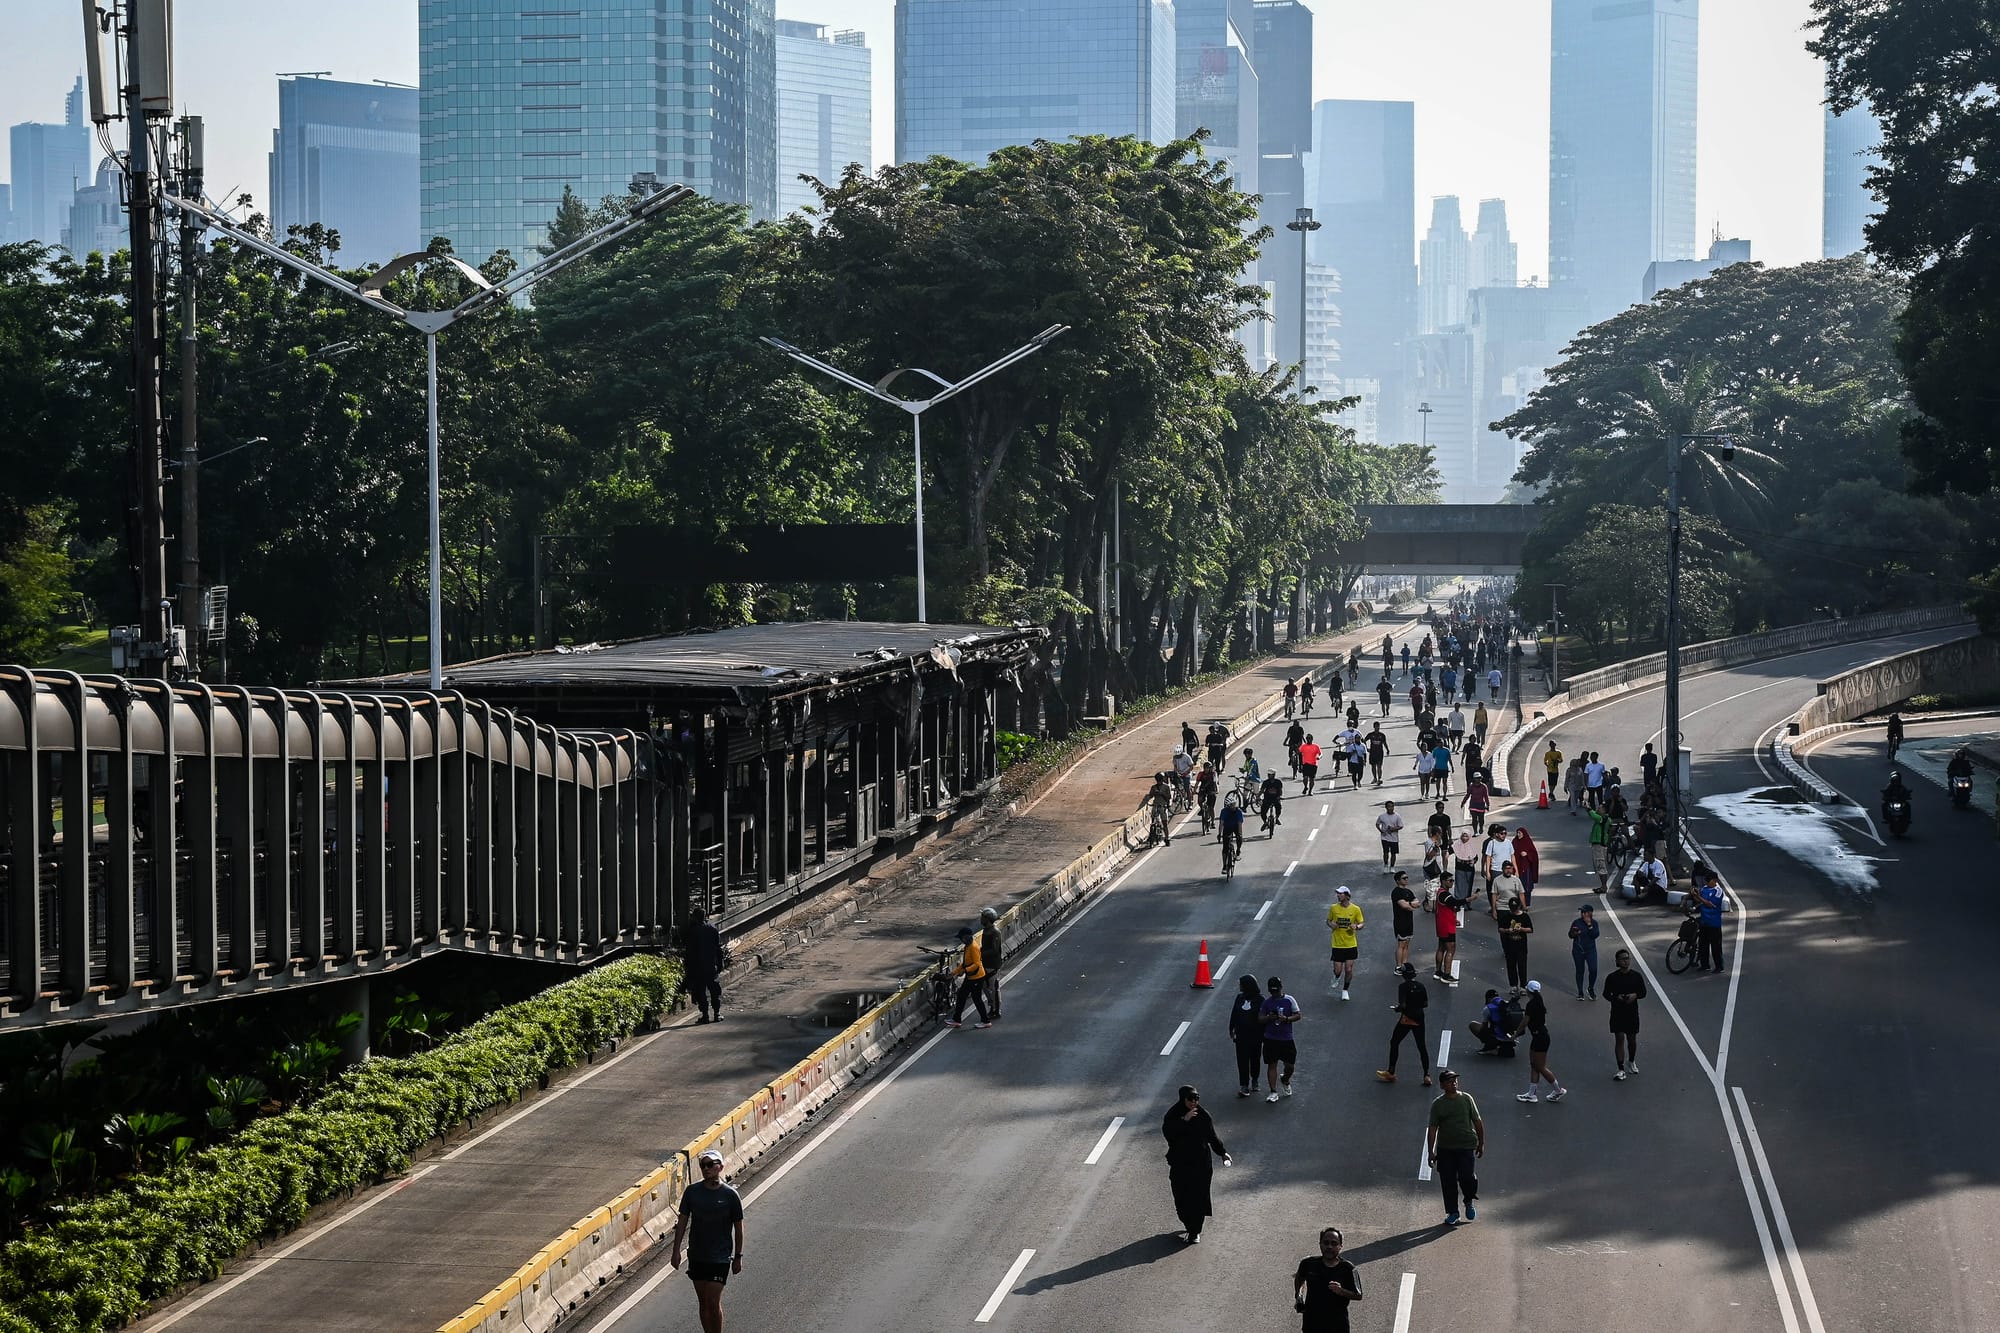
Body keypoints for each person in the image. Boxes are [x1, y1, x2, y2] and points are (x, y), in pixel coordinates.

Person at [670, 1148, 744, 1333]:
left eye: (710, 1165)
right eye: (703, 1165)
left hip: (720, 1258)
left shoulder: (730, 1196)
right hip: (697, 1256)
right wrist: (676, 1251)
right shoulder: (692, 1192)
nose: (706, 1169)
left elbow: (739, 1228)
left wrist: (738, 1257)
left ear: (721, 1167)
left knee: (713, 1300)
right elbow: (682, 1222)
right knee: (703, 1302)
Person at [1162, 1085, 1230, 1243]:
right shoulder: (1173, 1115)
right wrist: (1184, 1121)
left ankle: (1195, 1231)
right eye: (1190, 1099)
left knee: (1199, 1197)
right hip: (1180, 1164)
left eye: (1197, 1099)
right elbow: (1169, 1134)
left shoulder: (1203, 1116)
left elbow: (1212, 1137)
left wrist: (1222, 1153)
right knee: (1181, 1196)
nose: (1194, 1102)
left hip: (1201, 1164)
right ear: (1183, 1099)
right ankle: (1188, 1223)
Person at [1426, 1069, 1485, 1226]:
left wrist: (1481, 1143)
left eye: (1455, 1080)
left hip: (1466, 1146)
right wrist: (1431, 1151)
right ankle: (1453, 1212)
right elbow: (1432, 1129)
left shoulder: (1466, 1099)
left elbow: (1477, 1121)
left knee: (1467, 1177)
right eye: (1450, 1081)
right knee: (1448, 1181)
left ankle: (1468, 1200)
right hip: (1446, 1148)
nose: (1454, 1083)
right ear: (1442, 1085)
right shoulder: (1438, 1104)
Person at [1294, 1227, 1364, 1333]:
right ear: (1320, 1244)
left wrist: (1341, 1291)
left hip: (1337, 1326)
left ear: (1340, 1246)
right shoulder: (1308, 1264)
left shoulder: (1348, 1268)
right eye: (1326, 1243)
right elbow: (1300, 1277)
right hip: (1311, 1324)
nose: (1329, 1246)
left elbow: (1358, 1295)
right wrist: (1298, 1296)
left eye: (1334, 1243)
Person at [1376, 961, 1432, 1085]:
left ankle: (1391, 1071)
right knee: (1421, 1046)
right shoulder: (1421, 986)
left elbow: (1403, 1005)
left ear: (1404, 975)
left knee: (1394, 1042)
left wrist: (1397, 1009)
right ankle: (1426, 1075)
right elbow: (1425, 1004)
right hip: (1419, 1018)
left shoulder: (1403, 987)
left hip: (1407, 1018)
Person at [1516, 981, 1566, 1103]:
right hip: (1539, 1036)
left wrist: (1515, 1034)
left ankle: (1558, 1090)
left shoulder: (1531, 1004)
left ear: (1528, 991)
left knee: (1540, 1067)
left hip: (1540, 1038)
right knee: (1534, 1065)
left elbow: (1525, 1022)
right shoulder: (1538, 1001)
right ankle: (1531, 1094)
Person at [1604, 949, 1646, 1079]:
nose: (1625, 961)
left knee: (1632, 1040)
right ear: (1617, 961)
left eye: (1627, 958)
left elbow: (1643, 992)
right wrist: (1616, 998)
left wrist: (1634, 995)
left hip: (1632, 1012)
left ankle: (1631, 1061)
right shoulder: (1612, 978)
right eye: (1623, 959)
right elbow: (1606, 994)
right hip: (1617, 1012)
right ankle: (1620, 1068)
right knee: (1620, 1037)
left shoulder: (1636, 976)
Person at [1262, 977, 1304, 1101]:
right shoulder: (1267, 1002)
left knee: (1290, 1066)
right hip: (1270, 1038)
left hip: (1286, 1039)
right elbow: (1260, 1018)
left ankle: (1285, 1079)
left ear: (1281, 988)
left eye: (1276, 991)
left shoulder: (1289, 1000)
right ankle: (1273, 1091)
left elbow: (1298, 1015)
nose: (1274, 993)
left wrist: (1286, 1019)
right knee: (1272, 1064)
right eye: (1272, 991)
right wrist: (1269, 1018)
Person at [944, 926, 993, 1028]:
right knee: (961, 996)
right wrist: (954, 972)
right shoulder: (968, 946)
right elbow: (965, 963)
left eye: (961, 938)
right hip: (971, 976)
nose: (961, 940)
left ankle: (985, 1021)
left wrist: (965, 971)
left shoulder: (973, 947)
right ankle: (957, 1019)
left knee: (976, 999)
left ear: (966, 937)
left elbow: (976, 964)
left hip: (976, 977)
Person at [683, 907, 726, 1024]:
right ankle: (717, 1013)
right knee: (714, 991)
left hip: (697, 966)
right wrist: (720, 963)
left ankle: (705, 1015)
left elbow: (689, 952)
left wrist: (688, 968)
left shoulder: (692, 932)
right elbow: (718, 948)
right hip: (711, 965)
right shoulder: (712, 929)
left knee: (700, 991)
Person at [1229, 975, 1266, 1097]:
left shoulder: (1260, 1000)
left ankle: (1255, 1079)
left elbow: (1263, 1017)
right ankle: (1244, 1084)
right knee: (1242, 1060)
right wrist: (1231, 1028)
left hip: (1256, 1035)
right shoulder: (1239, 998)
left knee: (1255, 1058)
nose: (1239, 986)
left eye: (1241, 984)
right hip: (1241, 1035)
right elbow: (1234, 1013)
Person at [1327, 887, 1364, 999]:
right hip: (1337, 944)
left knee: (1348, 969)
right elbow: (1328, 920)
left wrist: (1356, 927)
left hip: (1350, 944)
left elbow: (1361, 923)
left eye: (1340, 894)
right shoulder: (1333, 908)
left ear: (1347, 895)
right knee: (1338, 971)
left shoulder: (1355, 909)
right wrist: (1331, 925)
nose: (1338, 895)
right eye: (1337, 894)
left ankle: (1345, 990)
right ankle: (1336, 977)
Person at [1498, 889, 1532, 994]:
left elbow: (1530, 929)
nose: (1513, 910)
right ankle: (1513, 985)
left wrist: (1521, 929)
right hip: (1509, 945)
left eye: (1515, 908)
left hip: (1521, 946)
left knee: (1522, 966)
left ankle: (1523, 986)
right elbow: (1500, 929)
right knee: (1511, 966)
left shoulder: (1524, 916)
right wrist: (1507, 930)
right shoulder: (1506, 916)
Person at [1695, 867, 1727, 973]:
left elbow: (1710, 904)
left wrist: (1699, 897)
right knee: (1703, 945)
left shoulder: (1718, 891)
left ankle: (1719, 966)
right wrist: (1695, 895)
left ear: (1714, 880)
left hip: (1714, 923)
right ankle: (1705, 965)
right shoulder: (1704, 889)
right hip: (1704, 922)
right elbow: (1700, 900)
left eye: (1709, 881)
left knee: (1716, 947)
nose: (1707, 882)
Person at [1468, 988, 1517, 1056]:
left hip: (1498, 1036)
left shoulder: (1488, 1008)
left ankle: (1490, 1047)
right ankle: (1502, 1048)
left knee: (1472, 1025)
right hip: (1511, 1036)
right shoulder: (1508, 1004)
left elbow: (1483, 1028)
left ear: (1488, 999)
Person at [1569, 902, 1600, 999]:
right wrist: (1575, 933)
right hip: (1578, 951)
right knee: (1580, 971)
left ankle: (1591, 988)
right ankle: (1580, 992)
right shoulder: (1576, 922)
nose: (1582, 914)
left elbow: (1595, 935)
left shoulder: (1594, 923)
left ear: (1590, 913)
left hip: (1590, 950)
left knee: (1593, 969)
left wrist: (1589, 925)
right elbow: (1570, 935)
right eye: (1582, 912)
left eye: (1584, 912)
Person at [979, 906, 1004, 1019]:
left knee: (993, 988)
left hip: (993, 964)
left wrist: (980, 953)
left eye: (983, 917)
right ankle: (992, 1005)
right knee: (984, 986)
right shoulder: (986, 930)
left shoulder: (995, 932)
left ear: (988, 919)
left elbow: (994, 950)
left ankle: (996, 1009)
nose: (981, 919)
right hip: (985, 963)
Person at [1433, 883, 1460, 987]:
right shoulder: (1444, 894)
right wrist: (1470, 898)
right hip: (1448, 926)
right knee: (1450, 949)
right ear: (1444, 881)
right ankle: (1446, 975)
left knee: (1441, 948)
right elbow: (1455, 902)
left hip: (1441, 925)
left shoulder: (1439, 892)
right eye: (1450, 880)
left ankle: (1438, 971)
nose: (1452, 882)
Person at [1389, 870, 1417, 968]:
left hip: (1409, 921)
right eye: (1404, 878)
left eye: (1407, 878)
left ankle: (1404, 965)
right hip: (1400, 921)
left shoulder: (1408, 891)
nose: (1406, 880)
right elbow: (1404, 906)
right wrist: (1411, 905)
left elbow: (1417, 903)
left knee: (1407, 944)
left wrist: (1410, 904)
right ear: (1398, 880)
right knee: (1401, 944)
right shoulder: (1396, 892)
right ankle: (1398, 966)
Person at [1588, 803, 1614, 892]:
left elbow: (1594, 816)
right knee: (1600, 866)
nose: (1598, 809)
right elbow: (1593, 814)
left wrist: (1589, 809)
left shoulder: (1603, 819)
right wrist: (1589, 809)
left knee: (1601, 866)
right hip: (1598, 844)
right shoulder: (1603, 818)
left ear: (1604, 811)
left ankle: (1604, 886)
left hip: (1599, 845)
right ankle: (1603, 886)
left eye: (1600, 808)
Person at [1511, 826, 1540, 905]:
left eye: (1520, 833)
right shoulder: (1515, 842)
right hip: (1517, 868)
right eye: (1517, 833)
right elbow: (1511, 853)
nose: (1518, 834)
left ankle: (1526, 903)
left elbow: (1534, 854)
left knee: (1526, 886)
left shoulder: (1528, 841)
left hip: (1526, 868)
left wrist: (1527, 854)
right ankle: (1518, 903)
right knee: (1517, 887)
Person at [1146, 771, 1176, 847]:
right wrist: (1154, 793)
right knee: (1153, 820)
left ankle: (1167, 838)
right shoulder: (1153, 787)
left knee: (1164, 823)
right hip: (1156, 805)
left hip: (1163, 806)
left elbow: (1169, 797)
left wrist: (1162, 794)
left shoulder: (1166, 787)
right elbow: (1150, 795)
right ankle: (1151, 835)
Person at [1376, 801, 1405, 869]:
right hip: (1385, 837)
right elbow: (1377, 824)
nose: (1390, 808)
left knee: (1393, 853)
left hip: (1394, 838)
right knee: (1385, 852)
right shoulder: (1382, 816)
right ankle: (1386, 865)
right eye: (1389, 806)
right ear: (1386, 807)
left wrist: (1393, 828)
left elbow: (1401, 826)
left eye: (1392, 806)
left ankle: (1392, 866)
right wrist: (1381, 830)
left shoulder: (1397, 816)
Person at [1219, 793, 1246, 863]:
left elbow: (1239, 824)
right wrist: (1219, 834)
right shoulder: (1224, 811)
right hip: (1227, 827)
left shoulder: (1238, 812)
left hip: (1236, 827)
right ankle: (1224, 865)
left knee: (1239, 838)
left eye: (1234, 804)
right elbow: (1221, 823)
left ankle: (1238, 851)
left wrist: (1240, 834)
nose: (1233, 807)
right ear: (1228, 806)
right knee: (1225, 848)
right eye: (1231, 805)